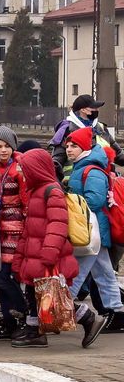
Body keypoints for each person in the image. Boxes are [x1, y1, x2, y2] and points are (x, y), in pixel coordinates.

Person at [12, 147, 100, 348]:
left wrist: (49, 253)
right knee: (38, 293)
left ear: (35, 169)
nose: (22, 173)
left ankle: (87, 318)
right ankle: (35, 330)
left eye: (25, 169)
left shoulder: (52, 191)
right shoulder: (36, 191)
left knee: (52, 295)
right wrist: (21, 255)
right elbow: (30, 228)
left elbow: (58, 225)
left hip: (46, 254)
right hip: (35, 252)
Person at [61, 127, 118, 344]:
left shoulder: (91, 171)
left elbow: (94, 201)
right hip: (92, 230)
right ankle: (117, 311)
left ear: (84, 147)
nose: (69, 149)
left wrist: (72, 199)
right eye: (67, 145)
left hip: (90, 231)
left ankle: (63, 308)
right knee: (104, 274)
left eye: (73, 145)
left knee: (76, 273)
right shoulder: (82, 167)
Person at [0, 126, 30, 340]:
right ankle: (10, 322)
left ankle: (22, 312)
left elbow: (26, 200)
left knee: (3, 276)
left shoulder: (19, 169)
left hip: (16, 227)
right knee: (1, 276)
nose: (3, 150)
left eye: (7, 146)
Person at [49, 94, 124, 183]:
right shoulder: (67, 130)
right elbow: (57, 162)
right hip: (74, 184)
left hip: (102, 181)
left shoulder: (100, 128)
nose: (97, 110)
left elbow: (118, 154)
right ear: (83, 110)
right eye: (94, 108)